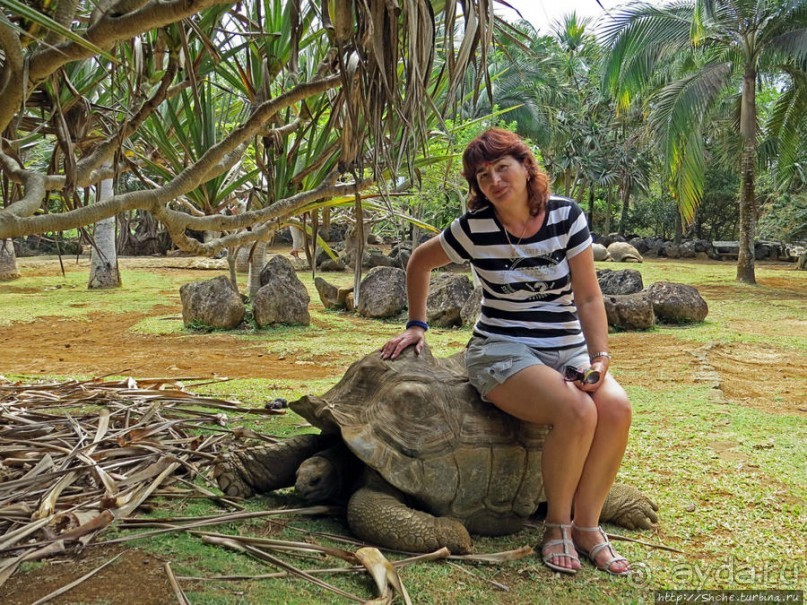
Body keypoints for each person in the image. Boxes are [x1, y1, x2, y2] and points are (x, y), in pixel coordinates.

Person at [380, 128, 632, 576]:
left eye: (502, 167)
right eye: (482, 174)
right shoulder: (474, 229)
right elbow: (419, 261)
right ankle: (556, 526)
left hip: (567, 347)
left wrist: (600, 358)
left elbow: (589, 298)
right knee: (577, 411)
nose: (495, 179)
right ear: (476, 186)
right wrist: (417, 325)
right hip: (501, 348)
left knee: (615, 408)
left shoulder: (565, 217)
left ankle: (588, 528)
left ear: (525, 167)